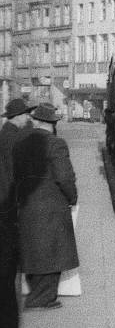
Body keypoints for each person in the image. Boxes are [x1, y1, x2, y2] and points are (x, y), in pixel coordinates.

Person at [13, 103, 78, 310]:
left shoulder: (19, 143)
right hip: (51, 207)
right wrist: (72, 198)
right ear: (52, 123)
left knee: (33, 252)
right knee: (53, 253)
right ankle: (41, 299)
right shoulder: (56, 143)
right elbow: (64, 177)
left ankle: (36, 295)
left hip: (26, 205)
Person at [0, 99, 34, 328]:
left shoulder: (5, 134)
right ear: (18, 116)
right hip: (8, 211)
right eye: (26, 115)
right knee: (8, 276)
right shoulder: (13, 139)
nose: (28, 119)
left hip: (5, 208)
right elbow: (13, 177)